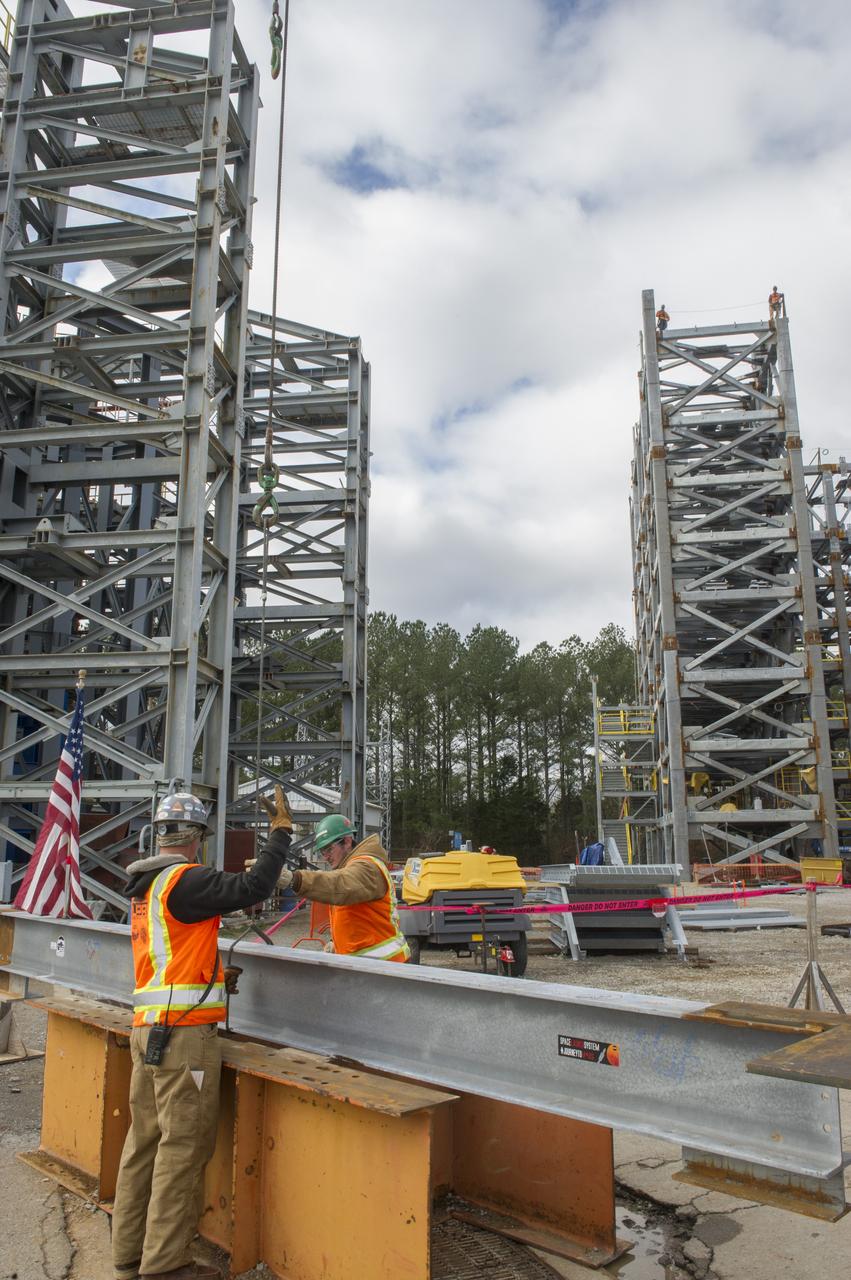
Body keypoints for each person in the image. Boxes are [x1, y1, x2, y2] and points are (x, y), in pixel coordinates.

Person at [111, 787, 293, 1280]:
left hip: (149, 1030)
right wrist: (279, 836)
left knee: (143, 1142)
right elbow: (253, 887)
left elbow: (171, 956)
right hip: (182, 1040)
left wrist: (212, 975)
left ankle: (128, 1255)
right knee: (182, 1146)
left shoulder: (146, 886)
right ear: (196, 839)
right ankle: (165, 1265)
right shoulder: (185, 882)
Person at [254, 796, 409, 962]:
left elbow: (340, 886)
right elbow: (356, 918)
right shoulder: (350, 867)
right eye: (322, 852)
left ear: (347, 841)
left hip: (386, 967)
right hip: (366, 967)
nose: (326, 856)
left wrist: (294, 879)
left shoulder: (367, 867)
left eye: (329, 849)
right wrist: (335, 941)